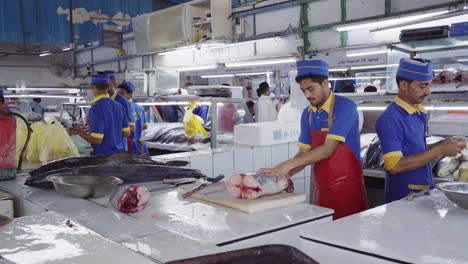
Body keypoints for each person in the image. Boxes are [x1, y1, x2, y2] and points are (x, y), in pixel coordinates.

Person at [259, 60, 368, 220]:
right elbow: (303, 153)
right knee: (323, 232)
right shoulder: (308, 114)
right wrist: (285, 175)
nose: (307, 95)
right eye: (303, 90)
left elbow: (328, 148)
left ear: (325, 83)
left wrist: (287, 165)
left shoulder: (344, 107)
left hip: (348, 190)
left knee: (347, 234)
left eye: (311, 89)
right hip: (322, 189)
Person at [375, 58, 467, 203]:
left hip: (423, 191)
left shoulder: (418, 111)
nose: (428, 91)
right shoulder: (390, 118)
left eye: (429, 85)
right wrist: (440, 151)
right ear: (404, 85)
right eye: (422, 86)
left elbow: (415, 148)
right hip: (403, 198)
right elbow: (395, 166)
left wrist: (444, 144)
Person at [68, 73, 129, 156]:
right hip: (118, 155)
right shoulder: (119, 106)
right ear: (108, 87)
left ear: (92, 86)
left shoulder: (96, 108)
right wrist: (110, 132)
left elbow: (97, 140)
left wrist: (76, 131)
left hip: (103, 158)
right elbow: (126, 133)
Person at [103, 70, 133, 151]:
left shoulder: (122, 102)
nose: (104, 86)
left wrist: (111, 132)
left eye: (107, 84)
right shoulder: (101, 102)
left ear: (114, 84)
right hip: (104, 146)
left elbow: (131, 128)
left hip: (118, 147)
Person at [118, 81, 148, 155]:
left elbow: (131, 129)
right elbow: (145, 126)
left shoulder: (122, 108)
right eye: (118, 93)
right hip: (139, 144)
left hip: (128, 145)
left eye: (122, 93)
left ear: (130, 95)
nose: (119, 95)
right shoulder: (140, 108)